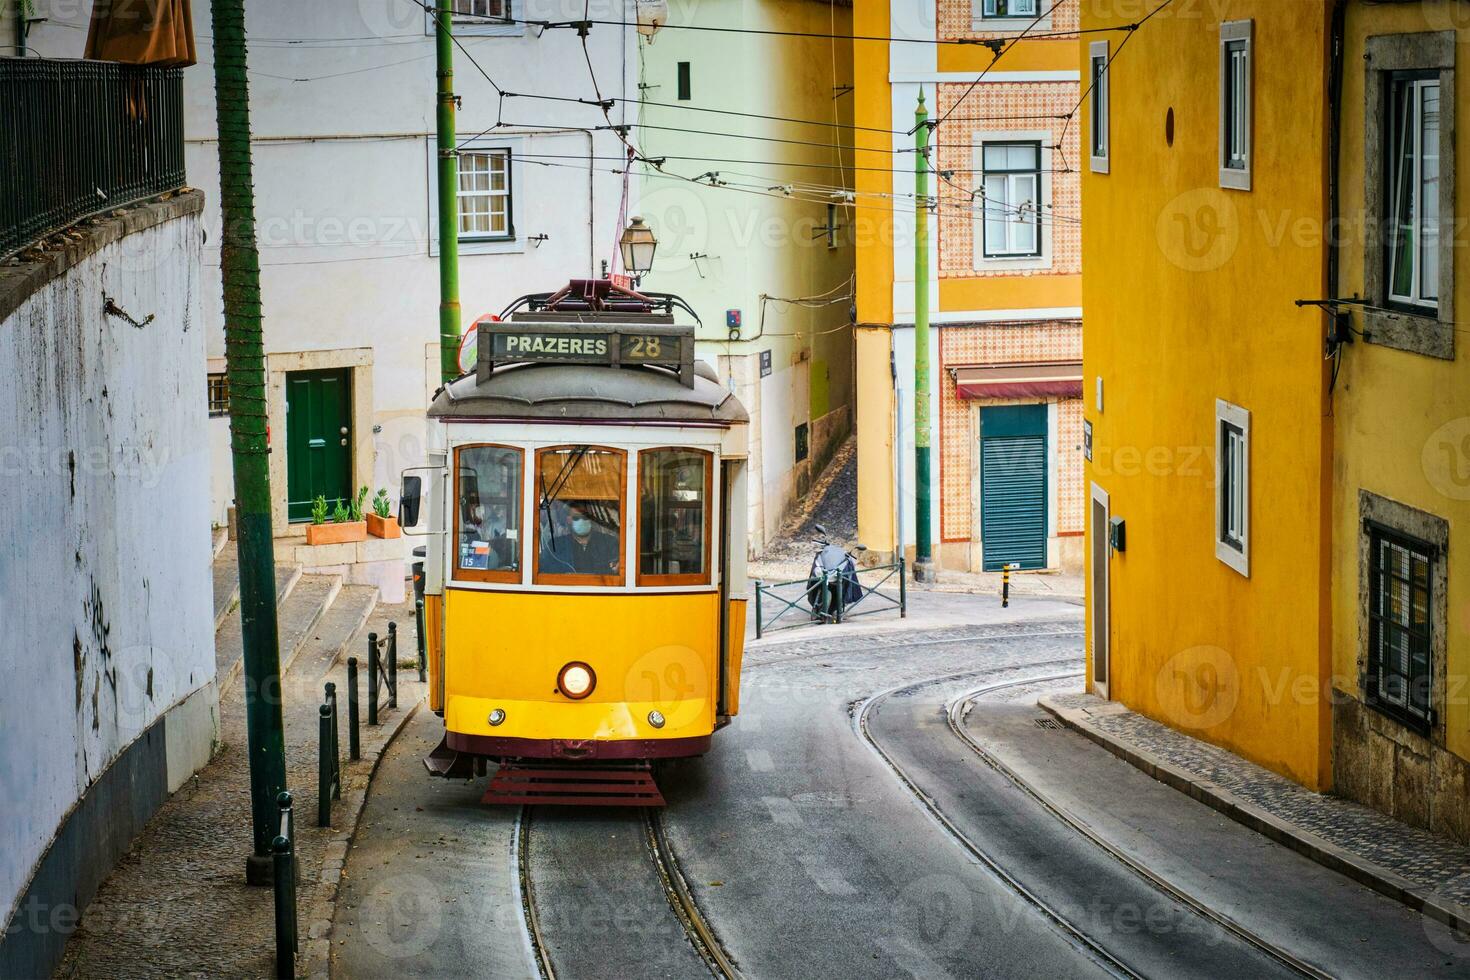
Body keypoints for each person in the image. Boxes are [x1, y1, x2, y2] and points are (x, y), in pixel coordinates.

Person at [541, 503, 620, 575]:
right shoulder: (556, 547)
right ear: (569, 520)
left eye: (586, 517)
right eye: (577, 517)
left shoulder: (609, 543)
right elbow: (544, 573)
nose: (582, 520)